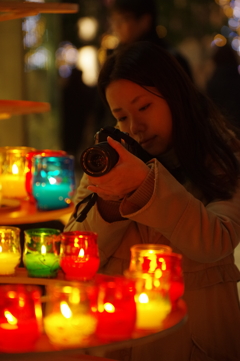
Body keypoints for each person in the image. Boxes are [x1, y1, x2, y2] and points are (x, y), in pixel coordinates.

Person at [64, 41, 240, 361]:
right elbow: (75, 256)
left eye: (144, 107)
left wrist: (145, 186)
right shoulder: (112, 159)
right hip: (118, 342)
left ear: (176, 97)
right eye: (121, 116)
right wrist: (110, 201)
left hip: (198, 343)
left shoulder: (222, 157)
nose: (135, 127)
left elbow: (216, 240)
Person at [108, 0, 192, 79]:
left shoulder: (165, 59)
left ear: (145, 21)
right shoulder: (117, 57)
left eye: (123, 19)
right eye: (114, 20)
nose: (117, 26)